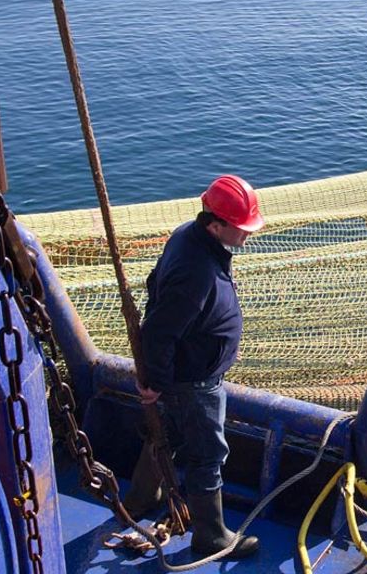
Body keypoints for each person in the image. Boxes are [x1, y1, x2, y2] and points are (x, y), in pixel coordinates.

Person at [125, 174, 265, 558]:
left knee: (163, 433)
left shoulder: (189, 236)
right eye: (241, 228)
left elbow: (155, 288)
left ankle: (141, 496)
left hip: (184, 374)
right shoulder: (197, 269)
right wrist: (154, 380)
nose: (247, 235)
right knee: (207, 456)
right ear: (216, 224)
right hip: (195, 382)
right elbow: (159, 330)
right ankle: (212, 538)